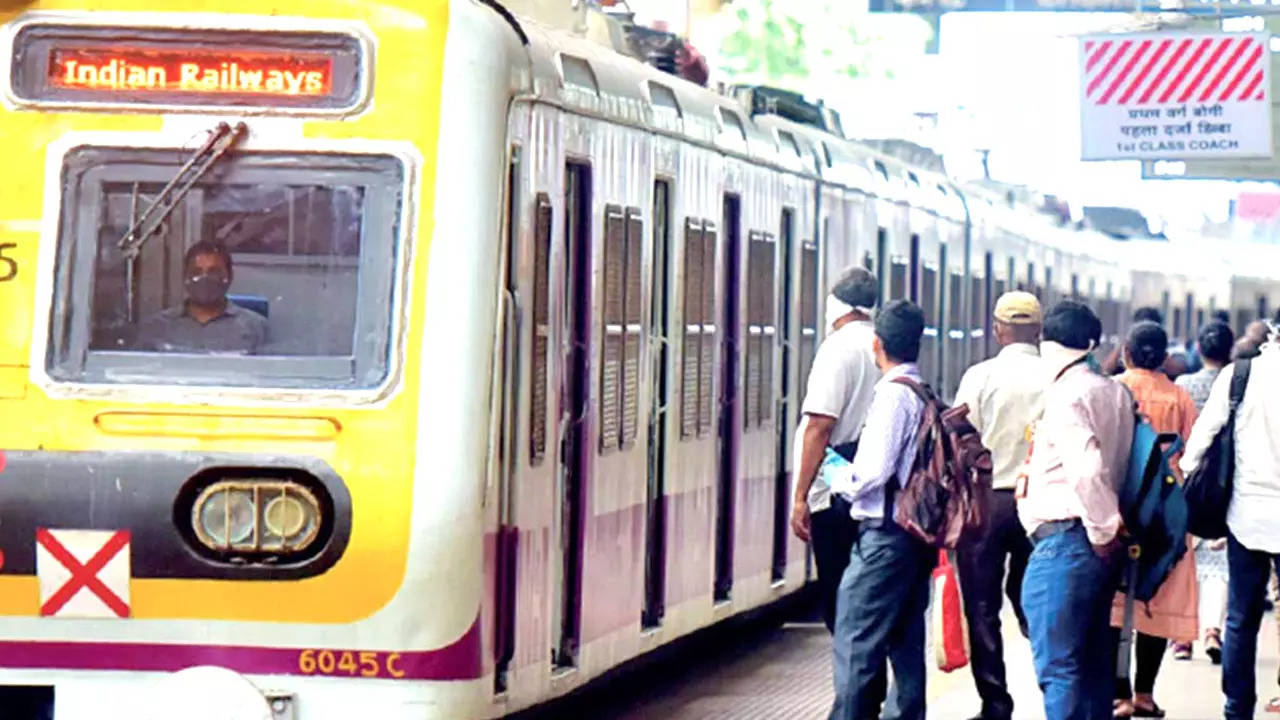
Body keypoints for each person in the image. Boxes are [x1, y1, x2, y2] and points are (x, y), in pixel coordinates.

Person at [1018, 300, 1134, 720]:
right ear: (1090, 343)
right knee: (1091, 667)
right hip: (1096, 549)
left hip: (1066, 543)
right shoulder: (1116, 392)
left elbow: (1087, 469)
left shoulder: (1068, 395)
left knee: (1059, 666)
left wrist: (1102, 531)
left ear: (1046, 343)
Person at [829, 300, 934, 720]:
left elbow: (871, 474)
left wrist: (835, 477)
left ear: (878, 343)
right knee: (906, 643)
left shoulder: (893, 395)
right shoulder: (921, 390)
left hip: (885, 539)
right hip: (911, 539)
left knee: (856, 639)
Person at [951, 291, 1045, 720]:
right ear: (1040, 331)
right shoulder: (1054, 375)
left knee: (982, 606)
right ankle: (1054, 686)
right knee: (1038, 601)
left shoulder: (979, 376)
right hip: (1040, 503)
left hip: (986, 503)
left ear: (998, 330)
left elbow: (958, 435)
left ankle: (995, 703)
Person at [1181, 321, 1280, 720]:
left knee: (1241, 617)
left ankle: (1237, 709)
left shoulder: (1240, 374)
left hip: (1247, 516)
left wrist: (1187, 475)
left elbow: (1203, 436)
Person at [1110, 322, 1199, 719]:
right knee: (1157, 599)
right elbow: (1194, 454)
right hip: (1165, 511)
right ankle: (1145, 693)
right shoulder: (1179, 397)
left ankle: (1119, 692)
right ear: (1164, 357)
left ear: (1126, 350)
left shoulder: (1114, 389)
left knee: (1115, 599)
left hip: (1120, 503)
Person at [790, 267, 881, 634]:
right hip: (873, 487)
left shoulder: (838, 349)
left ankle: (851, 685)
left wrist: (800, 497)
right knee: (864, 597)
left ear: (834, 305)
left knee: (838, 595)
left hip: (835, 492)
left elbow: (819, 425)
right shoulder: (880, 344)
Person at [1176, 321, 1235, 664]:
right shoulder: (1238, 385)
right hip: (1225, 482)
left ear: (1198, 348)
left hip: (1189, 480)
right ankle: (1213, 629)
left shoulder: (1184, 385)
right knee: (1219, 563)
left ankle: (1183, 637)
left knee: (1187, 561)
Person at [134, 241, 266, 354]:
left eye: (213, 272)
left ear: (229, 276)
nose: (205, 278)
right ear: (185, 277)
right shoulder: (157, 327)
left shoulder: (256, 328)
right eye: (196, 272)